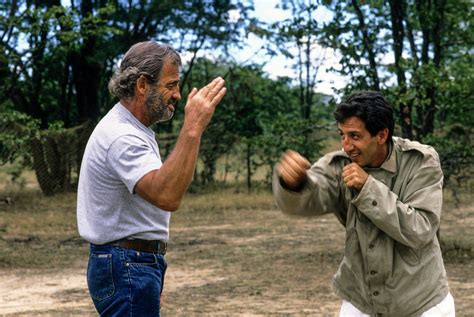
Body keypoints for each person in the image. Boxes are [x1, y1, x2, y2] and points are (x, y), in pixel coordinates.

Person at [76, 41, 227, 316]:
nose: (178, 95)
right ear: (143, 85)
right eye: (171, 85)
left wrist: (150, 268)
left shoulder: (132, 129)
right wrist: (192, 128)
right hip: (127, 264)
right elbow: (167, 195)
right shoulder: (123, 136)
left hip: (133, 263)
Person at [273, 91, 455, 316]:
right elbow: (310, 197)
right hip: (360, 301)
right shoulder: (339, 164)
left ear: (381, 135)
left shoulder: (421, 162)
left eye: (355, 136)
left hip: (421, 304)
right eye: (342, 135)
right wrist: (294, 183)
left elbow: (421, 229)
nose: (346, 146)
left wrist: (369, 187)